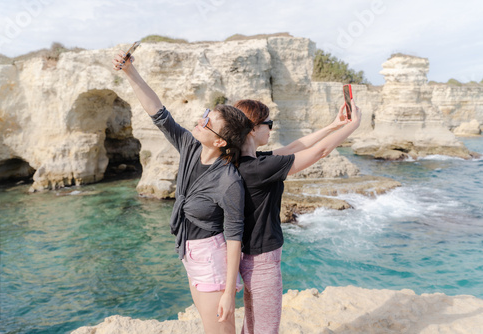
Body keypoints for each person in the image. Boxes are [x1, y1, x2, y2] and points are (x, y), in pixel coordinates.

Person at [112, 52, 254, 334]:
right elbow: (158, 114)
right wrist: (130, 71)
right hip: (189, 253)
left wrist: (228, 291)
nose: (200, 121)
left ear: (220, 141)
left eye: (208, 122)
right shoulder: (190, 147)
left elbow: (234, 237)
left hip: (212, 261)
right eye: (205, 115)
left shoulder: (228, 181)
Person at [234, 99, 361, 334]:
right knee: (265, 329)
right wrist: (353, 126)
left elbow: (294, 147)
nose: (271, 129)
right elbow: (320, 152)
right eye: (268, 123)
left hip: (247, 257)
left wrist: (334, 125)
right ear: (252, 129)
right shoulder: (260, 168)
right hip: (263, 263)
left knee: (250, 325)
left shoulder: (248, 163)